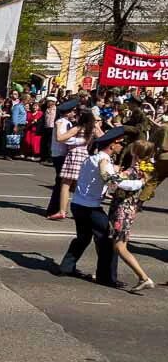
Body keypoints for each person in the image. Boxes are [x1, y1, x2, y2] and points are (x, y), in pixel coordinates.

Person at [58, 127, 143, 288]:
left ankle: (66, 267)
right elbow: (117, 183)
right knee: (107, 240)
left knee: (83, 238)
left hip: (78, 204)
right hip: (91, 207)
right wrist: (139, 183)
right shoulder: (104, 161)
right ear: (112, 145)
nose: (121, 147)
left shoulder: (92, 158)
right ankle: (107, 277)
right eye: (120, 144)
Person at [107, 140, 156, 291]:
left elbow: (119, 184)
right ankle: (106, 273)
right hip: (126, 209)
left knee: (120, 246)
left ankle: (143, 277)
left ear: (135, 152)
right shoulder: (141, 168)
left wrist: (113, 177)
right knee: (116, 244)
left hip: (122, 209)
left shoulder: (135, 171)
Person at [48, 110, 100, 220]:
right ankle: (82, 210)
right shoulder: (92, 130)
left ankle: (62, 211)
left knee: (66, 184)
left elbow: (60, 138)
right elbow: (103, 136)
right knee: (80, 185)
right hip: (85, 155)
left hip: (75, 154)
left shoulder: (78, 128)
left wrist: (58, 127)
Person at [45, 100, 77, 218]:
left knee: (61, 182)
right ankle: (54, 209)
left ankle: (57, 208)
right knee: (61, 183)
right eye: (73, 111)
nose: (74, 114)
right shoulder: (63, 122)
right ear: (67, 113)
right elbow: (63, 138)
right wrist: (79, 141)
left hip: (59, 153)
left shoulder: (64, 122)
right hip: (60, 154)